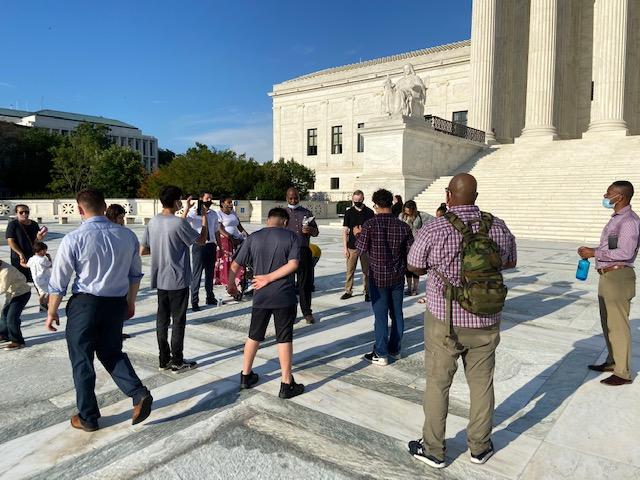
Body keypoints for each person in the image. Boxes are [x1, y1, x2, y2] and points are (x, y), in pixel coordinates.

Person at [406, 173, 516, 469]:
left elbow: (414, 265)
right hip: (486, 319)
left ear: (448, 195)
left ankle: (434, 449)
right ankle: (480, 447)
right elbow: (510, 261)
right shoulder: (498, 226)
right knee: (482, 385)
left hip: (445, 320)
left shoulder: (435, 227)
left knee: (438, 384)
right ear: (475, 197)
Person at [46, 189, 153, 432]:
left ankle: (88, 417)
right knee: (111, 352)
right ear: (104, 207)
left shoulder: (74, 238)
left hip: (86, 305)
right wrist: (130, 302)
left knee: (82, 359)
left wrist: (52, 311)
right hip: (115, 304)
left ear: (79, 209)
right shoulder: (127, 236)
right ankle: (138, 394)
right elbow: (135, 274)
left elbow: (59, 281)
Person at [227, 207, 305, 399]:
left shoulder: (253, 238)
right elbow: (293, 264)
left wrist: (231, 285)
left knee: (254, 335)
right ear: (285, 222)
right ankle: (286, 384)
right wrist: (269, 278)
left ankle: (245, 375)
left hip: (260, 296)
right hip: (283, 295)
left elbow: (235, 264)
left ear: (268, 220)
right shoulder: (292, 237)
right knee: (284, 338)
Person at [578, 180, 639, 386]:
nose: (605, 196)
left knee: (618, 325)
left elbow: (625, 252)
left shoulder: (629, 221)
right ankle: (613, 361)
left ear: (619, 197)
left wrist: (594, 252)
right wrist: (594, 251)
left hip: (618, 277)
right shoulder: (616, 219)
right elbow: (612, 247)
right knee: (608, 323)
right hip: (608, 276)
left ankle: (623, 373)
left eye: (609, 193)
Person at [141, 186, 208, 373]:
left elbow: (143, 250)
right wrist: (204, 219)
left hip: (160, 278)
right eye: (180, 199)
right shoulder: (178, 223)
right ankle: (177, 360)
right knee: (178, 321)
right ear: (175, 201)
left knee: (162, 320)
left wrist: (161, 248)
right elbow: (201, 240)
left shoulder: (153, 221)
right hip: (178, 279)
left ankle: (163, 359)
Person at [356, 189, 413, 366]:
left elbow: (360, 249)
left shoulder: (370, 225)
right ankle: (395, 349)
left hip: (378, 277)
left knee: (380, 317)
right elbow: (411, 252)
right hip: (397, 277)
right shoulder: (403, 226)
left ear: (376, 205)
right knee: (397, 314)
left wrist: (357, 233)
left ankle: (381, 353)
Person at [284, 187, 319, 324]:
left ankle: (307, 312)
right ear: (287, 198)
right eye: (291, 198)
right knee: (289, 285)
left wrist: (310, 230)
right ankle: (290, 314)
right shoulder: (282, 213)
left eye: (296, 198)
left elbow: (316, 232)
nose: (293, 200)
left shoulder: (306, 212)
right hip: (288, 253)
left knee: (305, 285)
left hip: (304, 251)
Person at [182, 191, 220, 311]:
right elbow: (181, 221)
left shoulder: (213, 214)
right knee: (197, 274)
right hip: (199, 246)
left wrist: (219, 246)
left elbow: (216, 231)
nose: (209, 200)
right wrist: (187, 208)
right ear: (201, 199)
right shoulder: (194, 213)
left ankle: (210, 297)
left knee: (210, 274)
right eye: (207, 198)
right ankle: (194, 301)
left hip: (211, 245)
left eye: (211, 198)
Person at [105, 204, 133, 340]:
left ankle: (117, 331)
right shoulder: (106, 232)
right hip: (110, 276)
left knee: (120, 307)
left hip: (122, 275)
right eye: (120, 217)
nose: (122, 220)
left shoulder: (124, 232)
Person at [341, 190, 374, 301]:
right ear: (352, 200)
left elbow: (373, 230)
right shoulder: (349, 212)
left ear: (363, 199)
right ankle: (348, 291)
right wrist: (345, 248)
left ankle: (368, 291)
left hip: (365, 247)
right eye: (355, 200)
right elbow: (345, 230)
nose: (357, 202)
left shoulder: (369, 212)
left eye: (359, 200)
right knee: (350, 270)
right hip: (352, 246)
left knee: (366, 271)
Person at [5, 204, 46, 282]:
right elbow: (10, 241)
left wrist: (39, 238)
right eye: (21, 212)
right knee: (20, 281)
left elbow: (36, 242)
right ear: (16, 214)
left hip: (33, 256)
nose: (24, 214)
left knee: (36, 279)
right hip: (18, 258)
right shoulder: (13, 224)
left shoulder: (34, 224)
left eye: (27, 212)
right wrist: (20, 254)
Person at [215, 195, 248, 288]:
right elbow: (219, 228)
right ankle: (227, 280)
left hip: (236, 239)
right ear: (222, 204)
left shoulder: (233, 213)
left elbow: (239, 226)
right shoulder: (219, 214)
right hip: (226, 240)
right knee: (227, 260)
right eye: (228, 202)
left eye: (231, 202)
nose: (231, 204)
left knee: (238, 259)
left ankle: (238, 278)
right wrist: (230, 237)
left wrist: (247, 235)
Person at [399, 200, 430, 296]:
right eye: (405, 210)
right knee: (407, 268)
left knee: (416, 267)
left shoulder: (421, 215)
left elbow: (433, 221)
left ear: (413, 209)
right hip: (405, 244)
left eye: (409, 210)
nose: (407, 211)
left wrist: (423, 231)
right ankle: (409, 288)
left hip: (417, 244)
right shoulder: (401, 216)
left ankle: (415, 289)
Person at [0, 259, 31, 350]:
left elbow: (2, 288)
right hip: (11, 294)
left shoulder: (6, 271)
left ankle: (18, 341)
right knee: (4, 315)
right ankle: (4, 335)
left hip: (21, 294)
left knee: (12, 318)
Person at [23, 241, 51, 311]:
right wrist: (49, 257)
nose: (45, 252)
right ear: (41, 251)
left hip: (36, 280)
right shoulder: (43, 259)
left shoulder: (31, 259)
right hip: (45, 279)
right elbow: (50, 265)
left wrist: (21, 263)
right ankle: (45, 304)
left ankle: (41, 305)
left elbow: (27, 265)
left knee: (41, 292)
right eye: (45, 250)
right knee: (49, 292)